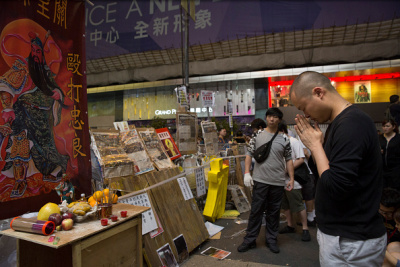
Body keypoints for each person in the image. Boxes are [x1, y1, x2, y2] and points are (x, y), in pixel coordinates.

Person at [290, 71, 386, 266]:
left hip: (351, 241)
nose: (306, 115)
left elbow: (337, 187)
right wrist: (317, 147)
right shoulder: (339, 123)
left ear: (318, 92)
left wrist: (316, 147)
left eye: (304, 107)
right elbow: (326, 172)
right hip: (342, 236)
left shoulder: (352, 124)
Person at [1, 32, 69, 197]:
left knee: (45, 151)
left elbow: (57, 90)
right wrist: (8, 108)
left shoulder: (45, 72)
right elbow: (5, 86)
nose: (35, 54)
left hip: (43, 119)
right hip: (24, 112)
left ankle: (51, 172)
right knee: (20, 144)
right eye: (33, 50)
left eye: (38, 51)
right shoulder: (23, 67)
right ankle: (19, 181)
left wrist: (57, 95)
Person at [237, 108, 294, 254]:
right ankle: (249, 240)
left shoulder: (285, 139)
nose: (272, 119)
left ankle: (271, 240)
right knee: (256, 211)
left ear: (279, 120)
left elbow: (289, 160)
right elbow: (249, 154)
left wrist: (292, 179)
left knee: (273, 212)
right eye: (270, 116)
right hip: (260, 180)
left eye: (275, 117)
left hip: (278, 181)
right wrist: (246, 173)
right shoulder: (257, 135)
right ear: (266, 118)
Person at [278, 121, 311, 242]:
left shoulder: (293, 141)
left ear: (282, 131)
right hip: (281, 180)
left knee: (297, 204)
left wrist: (287, 170)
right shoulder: (278, 143)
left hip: (293, 180)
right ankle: (290, 225)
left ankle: (305, 228)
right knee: (285, 204)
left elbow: (301, 159)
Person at [379, 119, 400, 190]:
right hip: (382, 169)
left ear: (393, 127)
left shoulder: (398, 138)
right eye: (384, 126)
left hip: (395, 169)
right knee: (383, 189)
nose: (385, 128)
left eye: (387, 126)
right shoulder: (379, 138)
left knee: (395, 189)